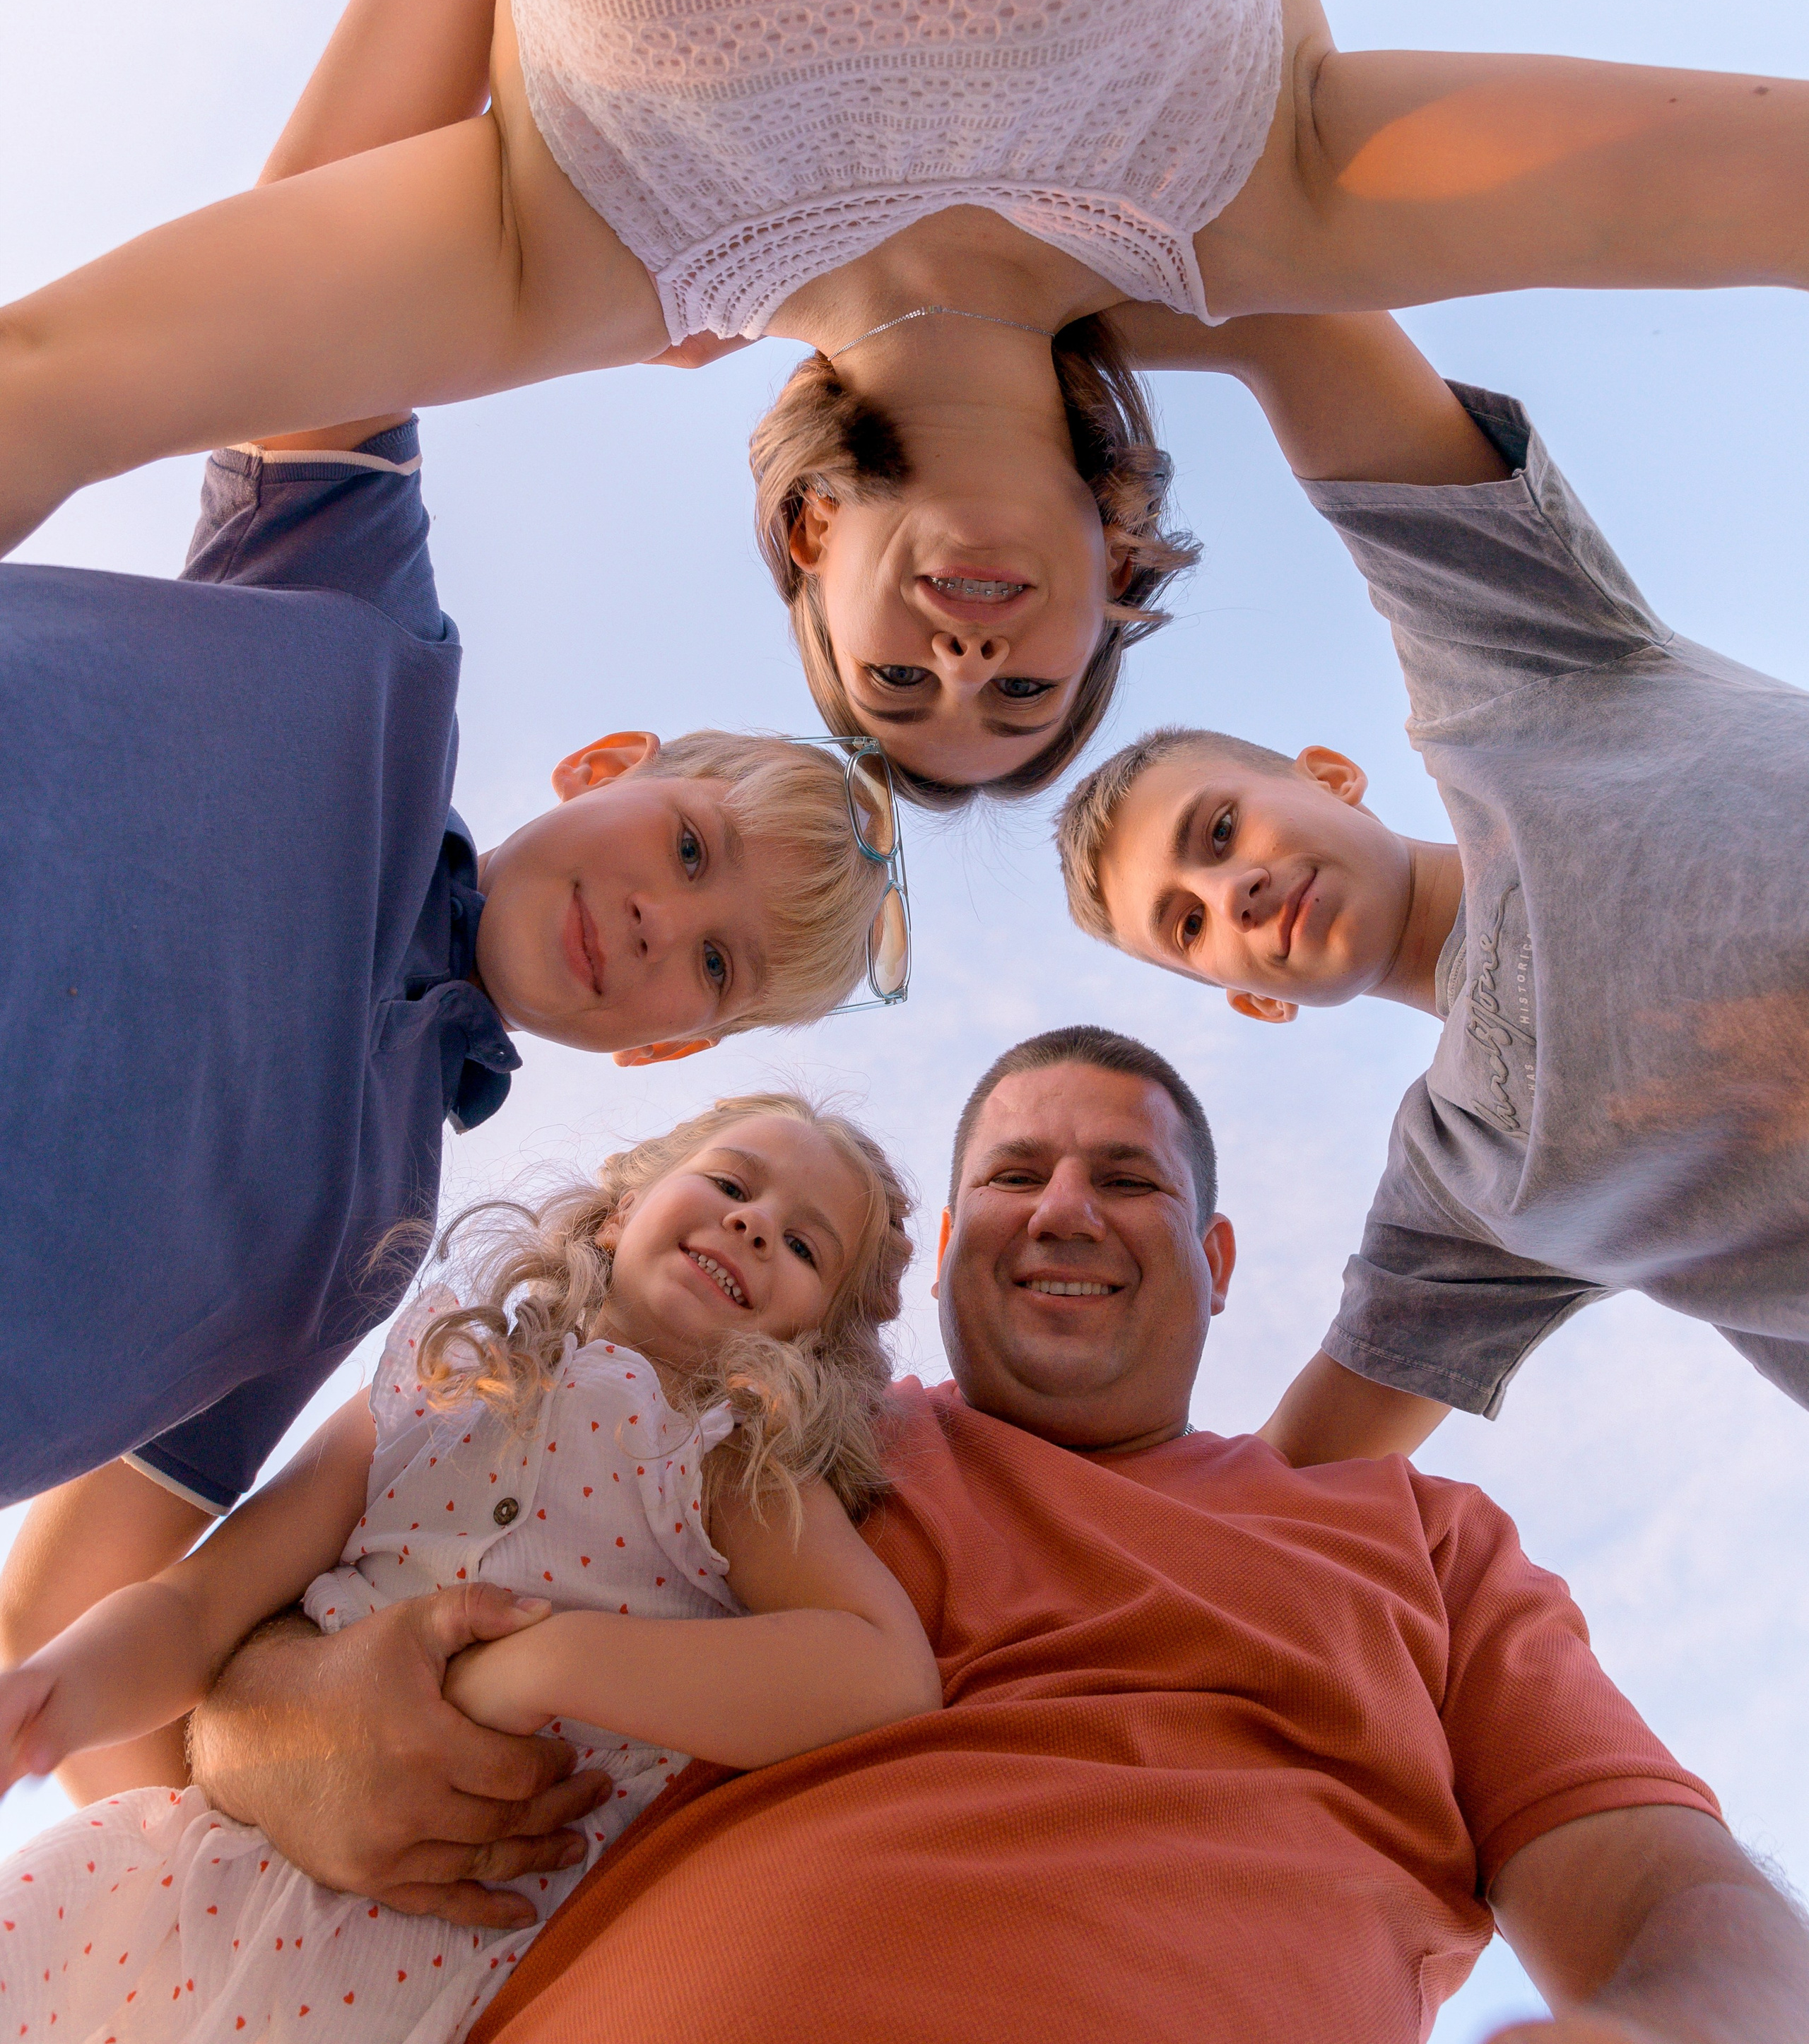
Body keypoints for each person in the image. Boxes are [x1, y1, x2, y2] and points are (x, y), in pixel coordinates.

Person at [3, 0, 1807, 805]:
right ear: (1116, 568)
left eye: (895, 688)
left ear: (807, 542)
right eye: (1022, 693)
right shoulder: (1265, 203)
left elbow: (59, 390)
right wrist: (1225, 314)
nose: (966, 665)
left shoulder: (580, 258)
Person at [165, 1029, 1809, 2043]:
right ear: (942, 1248)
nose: (1064, 1207)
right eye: (1015, 1172)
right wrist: (275, 1730)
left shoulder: (1416, 1542)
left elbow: (1654, 1880)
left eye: (1127, 1179)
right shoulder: (762, 1449)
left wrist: (1687, 2024)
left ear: (1217, 1255)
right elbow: (298, 1593)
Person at [0, 0, 902, 1544]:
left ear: (666, 1046)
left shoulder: (378, 1240)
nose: (663, 919)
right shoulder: (365, 639)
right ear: (607, 766)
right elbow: (308, 237)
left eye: (714, 964)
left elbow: (106, 1565)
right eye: (689, 846)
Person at [0, 1096, 939, 2044]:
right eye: (732, 1184)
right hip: (202, 1891)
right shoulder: (436, 1382)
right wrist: (53, 1694)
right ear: (622, 1210)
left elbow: (884, 1670)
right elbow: (197, 1609)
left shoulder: (730, 1462)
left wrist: (555, 1661)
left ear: (814, 1339)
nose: (755, 1224)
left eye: (805, 1246)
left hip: (448, 1950)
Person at [1055, 307, 1809, 1465]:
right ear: (1257, 1000)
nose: (1234, 893)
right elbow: (1284, 1497)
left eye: (1220, 829)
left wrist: (1003, 334)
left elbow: (1296, 325)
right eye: (1189, 925)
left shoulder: (1513, 683)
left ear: (1331, 776)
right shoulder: (1462, 1185)